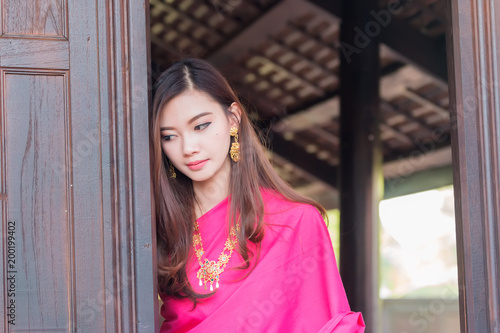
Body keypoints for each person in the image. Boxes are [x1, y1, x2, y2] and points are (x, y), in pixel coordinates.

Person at [150, 58, 365, 332]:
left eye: (201, 126)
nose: (188, 147)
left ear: (233, 119)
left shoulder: (296, 224)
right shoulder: (160, 230)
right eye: (169, 136)